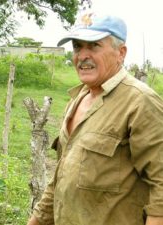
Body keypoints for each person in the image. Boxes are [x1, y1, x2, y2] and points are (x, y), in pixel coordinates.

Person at [27, 14, 163, 225]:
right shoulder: (78, 99)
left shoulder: (140, 102)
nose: (83, 56)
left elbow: (161, 186)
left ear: (121, 52)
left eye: (94, 46)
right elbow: (61, 180)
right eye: (77, 47)